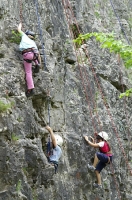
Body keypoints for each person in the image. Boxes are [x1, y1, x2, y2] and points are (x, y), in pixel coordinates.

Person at [17, 22, 41, 97]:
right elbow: (38, 53)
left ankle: (30, 88)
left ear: (27, 34)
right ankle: (37, 63)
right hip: (34, 55)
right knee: (33, 57)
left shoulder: (24, 36)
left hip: (27, 55)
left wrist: (20, 24)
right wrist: (40, 63)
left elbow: (18, 30)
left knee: (28, 72)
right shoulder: (33, 42)